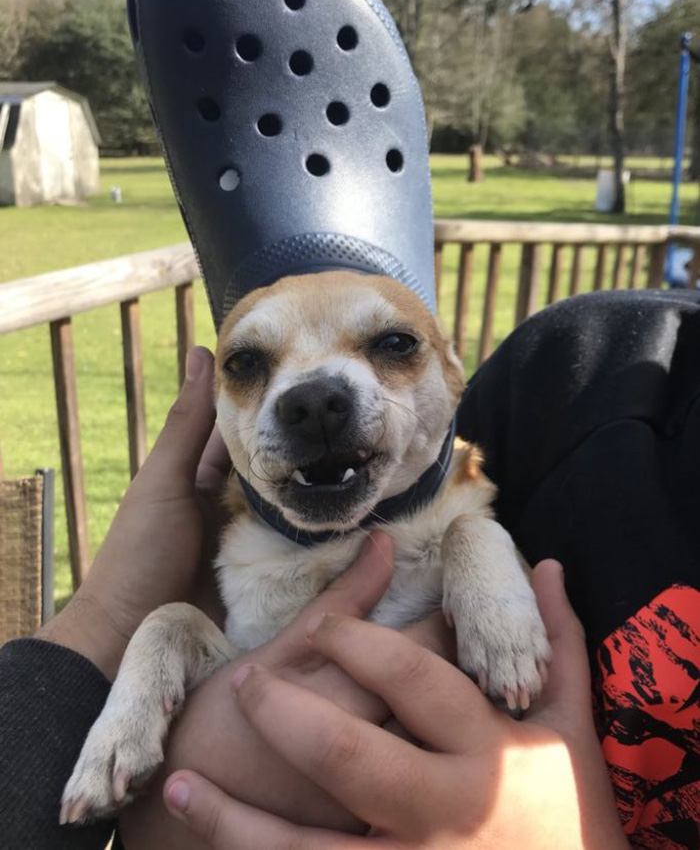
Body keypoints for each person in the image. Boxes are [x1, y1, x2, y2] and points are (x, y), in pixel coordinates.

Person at [2, 289, 699, 849]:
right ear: (214, 412)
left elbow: (476, 520)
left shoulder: (496, 506)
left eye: (391, 346)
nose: (313, 395)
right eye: (250, 363)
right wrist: (127, 625)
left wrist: (477, 546)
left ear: (452, 378)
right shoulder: (578, 372)